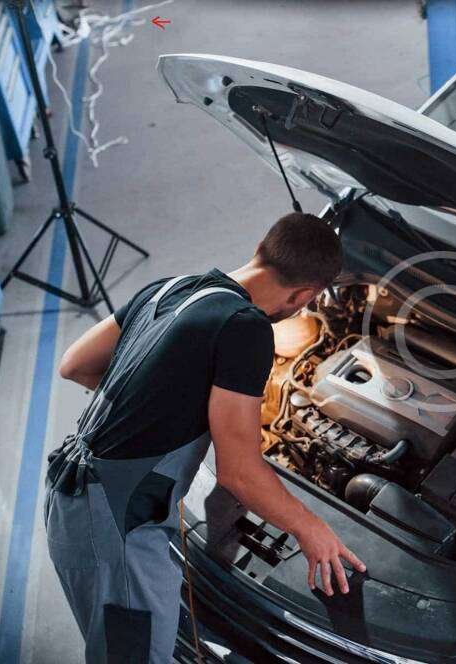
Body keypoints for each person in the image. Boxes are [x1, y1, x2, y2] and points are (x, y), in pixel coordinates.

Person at [44, 212, 366, 664]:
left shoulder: (168, 287)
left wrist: (161, 404)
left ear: (261, 249)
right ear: (304, 295)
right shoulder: (246, 328)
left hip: (73, 496)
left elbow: (75, 364)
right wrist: (312, 528)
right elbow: (239, 473)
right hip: (118, 527)